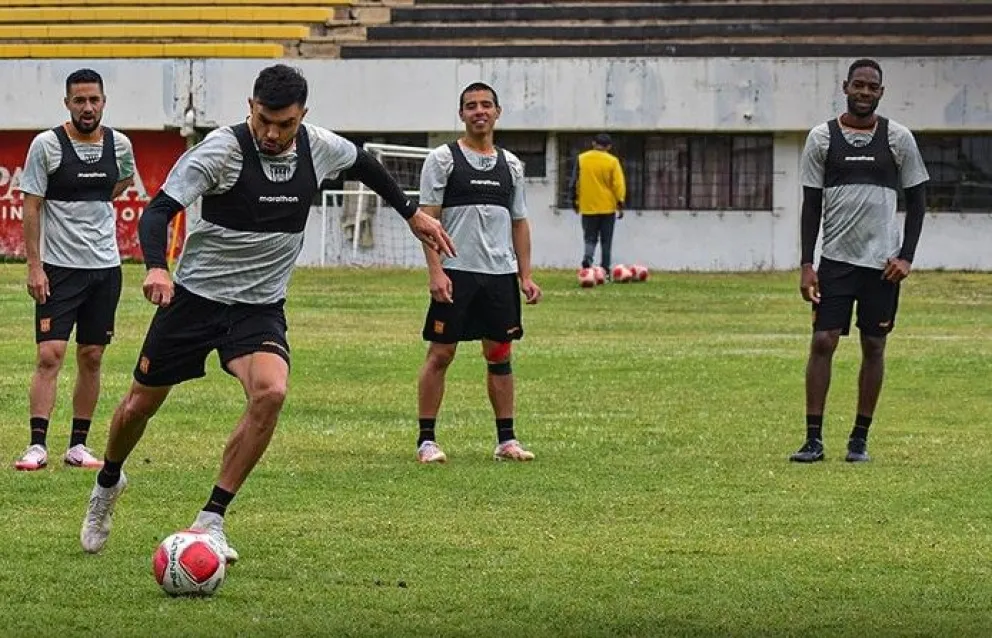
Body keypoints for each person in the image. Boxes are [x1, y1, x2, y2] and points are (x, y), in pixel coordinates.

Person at [79, 64, 455, 558]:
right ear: (250, 108)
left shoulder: (317, 146)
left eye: (286, 124)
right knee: (138, 407)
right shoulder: (220, 151)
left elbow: (363, 163)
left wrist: (412, 214)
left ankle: (211, 520)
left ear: (303, 117)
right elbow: (158, 211)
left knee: (271, 392)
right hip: (193, 300)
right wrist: (156, 268)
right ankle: (107, 484)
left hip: (258, 307)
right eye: (264, 121)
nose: (273, 134)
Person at [790, 59, 928, 464]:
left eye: (872, 87)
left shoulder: (898, 139)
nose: (864, 92)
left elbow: (918, 202)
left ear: (881, 92)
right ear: (845, 86)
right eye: (858, 85)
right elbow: (811, 206)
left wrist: (906, 257)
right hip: (835, 262)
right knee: (822, 341)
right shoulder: (821, 138)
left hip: (882, 265)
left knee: (874, 344)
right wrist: (805, 263)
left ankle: (859, 440)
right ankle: (813, 440)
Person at [15, 68, 136, 472]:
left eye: (94, 100)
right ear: (67, 103)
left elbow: (122, 181)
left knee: (93, 355)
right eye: (80, 100)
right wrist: (35, 267)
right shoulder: (46, 145)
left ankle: (78, 447)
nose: (88, 107)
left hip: (105, 269)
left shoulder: (119, 145)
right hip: (59, 269)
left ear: (104, 101)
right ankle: (37, 446)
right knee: (50, 355)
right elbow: (31, 206)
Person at [414, 82, 542, 464]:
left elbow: (519, 222)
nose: (479, 111)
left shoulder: (512, 165)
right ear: (462, 114)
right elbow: (428, 219)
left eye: (486, 105)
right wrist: (436, 272)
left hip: (499, 275)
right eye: (471, 106)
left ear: (497, 112)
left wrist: (525, 275)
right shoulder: (443, 159)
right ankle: (426, 441)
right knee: (441, 354)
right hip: (456, 272)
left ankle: (507, 441)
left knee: (500, 354)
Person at [569, 133, 626, 272]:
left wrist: (574, 202)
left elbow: (574, 182)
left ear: (593, 143)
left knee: (590, 238)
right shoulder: (612, 161)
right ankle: (605, 269)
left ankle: (588, 260)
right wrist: (620, 202)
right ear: (609, 147)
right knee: (606, 241)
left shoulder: (582, 159)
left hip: (588, 206)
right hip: (607, 207)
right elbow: (618, 184)